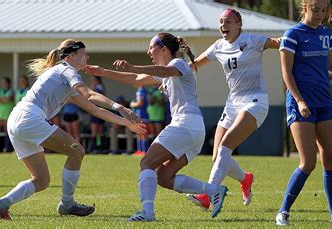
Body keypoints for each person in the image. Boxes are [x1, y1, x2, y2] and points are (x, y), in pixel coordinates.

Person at [0, 39, 146, 220]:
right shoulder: (67, 70)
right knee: (77, 152)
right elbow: (90, 94)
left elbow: (94, 109)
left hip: (17, 120)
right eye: (84, 54)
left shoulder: (62, 76)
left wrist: (126, 123)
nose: (87, 57)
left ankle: (2, 203)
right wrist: (121, 107)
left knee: (41, 180)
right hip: (29, 118)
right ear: (72, 55)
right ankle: (67, 204)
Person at [86, 32, 227, 221]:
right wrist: (103, 72)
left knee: (146, 163)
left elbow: (162, 72)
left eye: (151, 47)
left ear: (164, 49)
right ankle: (213, 190)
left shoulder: (176, 64)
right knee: (164, 177)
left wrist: (133, 65)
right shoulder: (168, 71)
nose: (148, 51)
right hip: (193, 129)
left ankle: (147, 213)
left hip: (185, 125)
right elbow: (136, 80)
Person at [275, 0, 332, 226]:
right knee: (308, 162)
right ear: (305, 8)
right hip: (300, 103)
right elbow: (286, 74)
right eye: (316, 10)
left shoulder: (325, 33)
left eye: (323, 10)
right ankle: (283, 211)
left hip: (324, 102)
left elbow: (330, 66)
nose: (320, 15)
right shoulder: (292, 34)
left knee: (330, 160)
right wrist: (300, 100)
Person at [184, 8, 281, 211]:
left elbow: (276, 42)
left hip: (255, 102)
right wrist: (171, 77)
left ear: (238, 24)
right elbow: (193, 65)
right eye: (221, 22)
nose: (223, 25)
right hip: (232, 103)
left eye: (228, 21)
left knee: (226, 145)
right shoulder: (218, 46)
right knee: (217, 155)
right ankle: (245, 179)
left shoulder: (252, 40)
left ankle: (208, 196)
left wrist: (290, 38)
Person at [88, 76, 106, 153]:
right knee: (97, 131)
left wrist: (92, 87)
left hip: (96, 111)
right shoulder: (100, 88)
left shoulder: (98, 88)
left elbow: (91, 97)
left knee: (97, 131)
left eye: (93, 80)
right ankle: (98, 148)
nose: (92, 81)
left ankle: (96, 148)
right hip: (97, 111)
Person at [130, 86, 149, 156]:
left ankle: (144, 150)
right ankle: (139, 150)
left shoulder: (141, 90)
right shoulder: (140, 90)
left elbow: (140, 103)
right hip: (138, 115)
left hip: (143, 115)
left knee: (143, 133)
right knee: (138, 133)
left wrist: (132, 104)